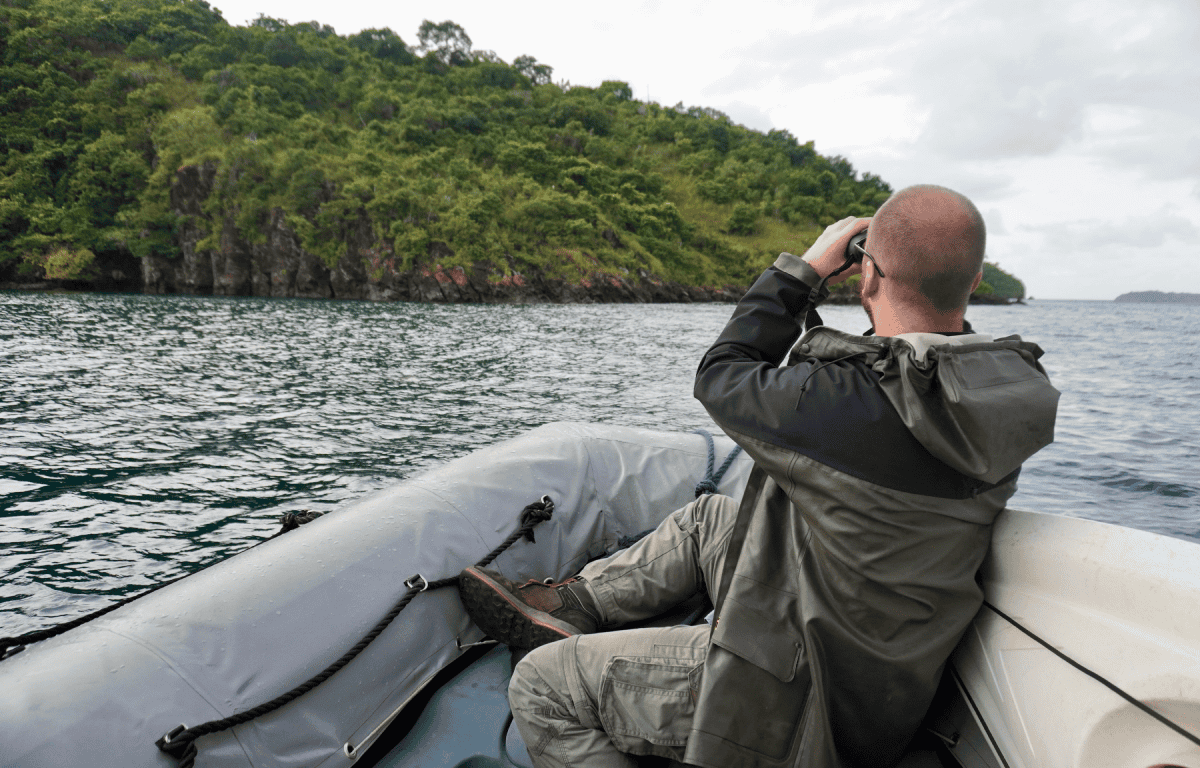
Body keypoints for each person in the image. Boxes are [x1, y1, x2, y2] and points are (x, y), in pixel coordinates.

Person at [458, 184, 1060, 768]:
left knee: (542, 686)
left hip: (794, 699)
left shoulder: (843, 401)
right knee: (710, 520)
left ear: (868, 274)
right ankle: (573, 606)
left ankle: (577, 646)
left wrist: (802, 272)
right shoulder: (1005, 393)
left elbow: (720, 374)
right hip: (886, 677)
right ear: (975, 281)